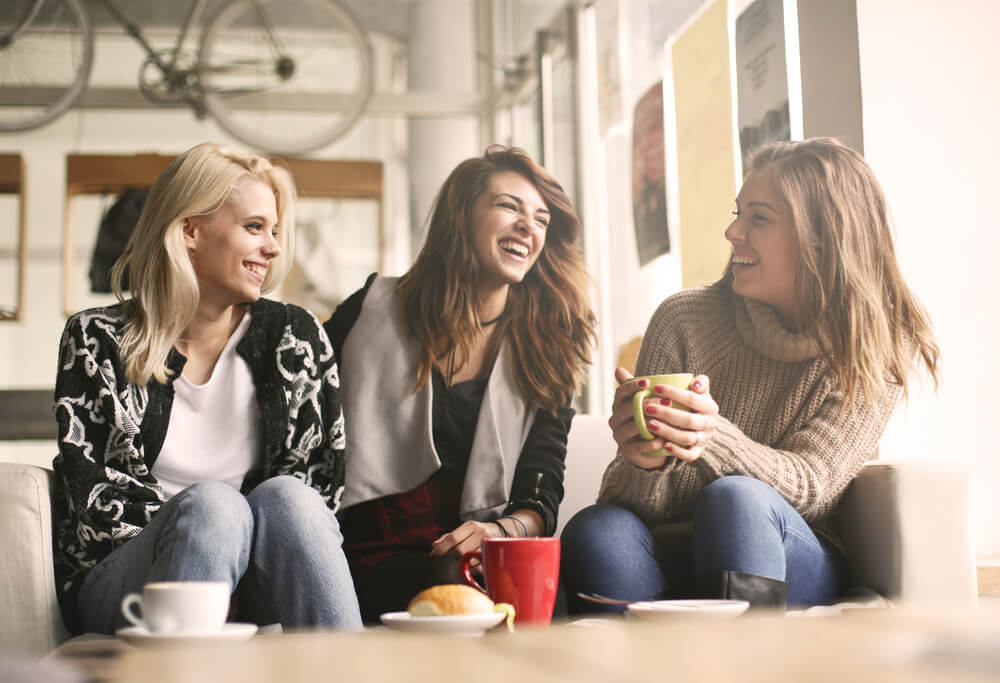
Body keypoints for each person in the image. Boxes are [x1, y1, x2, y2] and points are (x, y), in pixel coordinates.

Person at [561, 137, 940, 611]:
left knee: (736, 500)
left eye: (758, 218)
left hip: (785, 553)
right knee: (597, 528)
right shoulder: (684, 320)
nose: (733, 232)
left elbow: (813, 485)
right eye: (738, 212)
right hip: (665, 557)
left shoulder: (869, 346)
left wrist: (708, 438)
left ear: (821, 240)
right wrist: (644, 461)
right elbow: (635, 508)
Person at [51, 143, 362, 635]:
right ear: (190, 231)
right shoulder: (97, 340)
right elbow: (99, 503)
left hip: (255, 572)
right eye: (255, 227)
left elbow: (322, 481)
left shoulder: (296, 336)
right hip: (126, 577)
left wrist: (238, 563)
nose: (275, 248)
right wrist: (216, 546)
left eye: (275, 231)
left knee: (290, 497)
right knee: (216, 506)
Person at [325, 145, 596, 623]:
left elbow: (541, 489)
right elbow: (306, 432)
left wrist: (502, 531)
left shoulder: (548, 346)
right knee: (455, 588)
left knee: (549, 589)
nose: (528, 227)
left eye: (541, 219)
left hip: (484, 553)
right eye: (508, 206)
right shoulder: (367, 309)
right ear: (461, 215)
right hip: (369, 552)